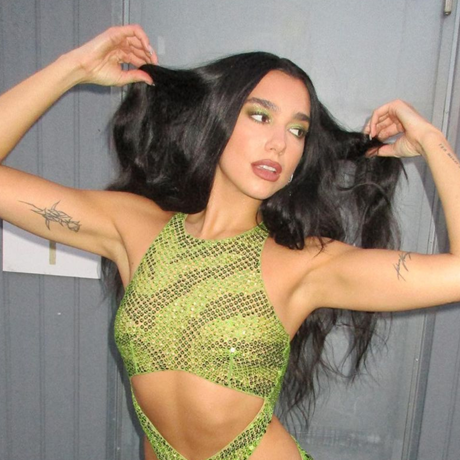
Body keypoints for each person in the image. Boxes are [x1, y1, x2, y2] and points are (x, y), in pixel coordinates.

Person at [0, 24, 459, 460]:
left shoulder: (305, 265)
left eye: (297, 130)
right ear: (218, 118)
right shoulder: (133, 227)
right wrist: (73, 68)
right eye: (260, 116)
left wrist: (431, 139)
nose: (279, 144)